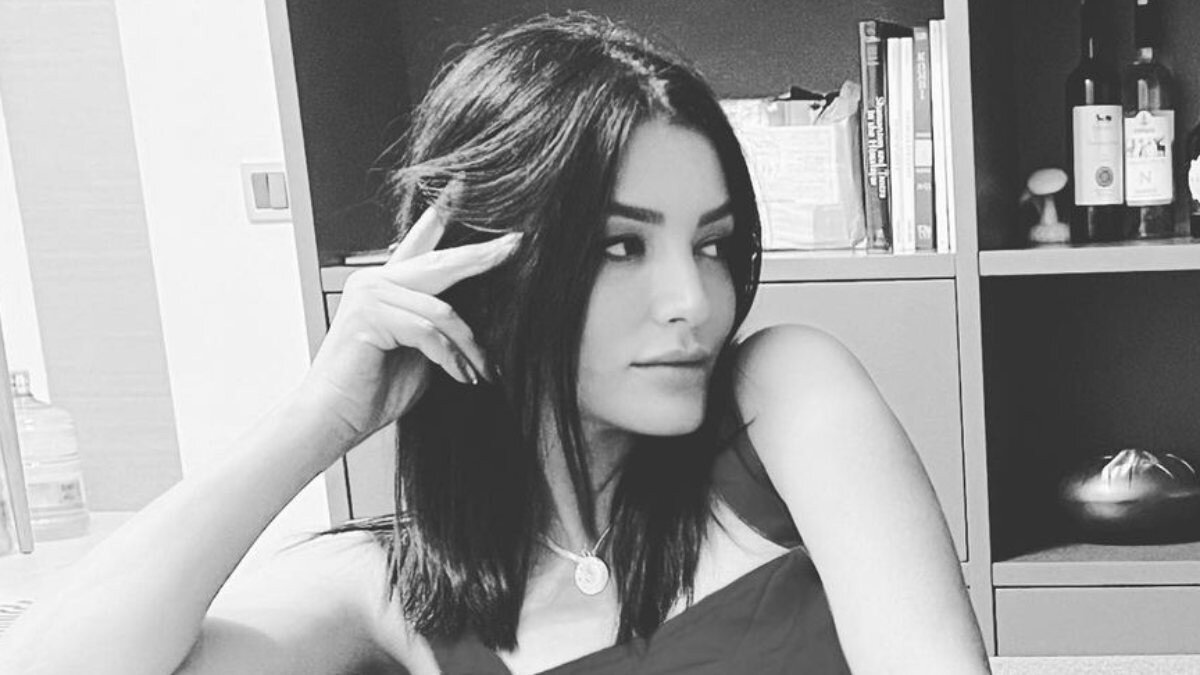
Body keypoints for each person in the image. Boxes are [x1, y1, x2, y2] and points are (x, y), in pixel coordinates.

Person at [0, 12, 991, 675]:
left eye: (712, 244)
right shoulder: (390, 590)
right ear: (484, 265)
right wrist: (320, 415)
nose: (694, 301)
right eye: (620, 246)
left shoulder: (784, 398)